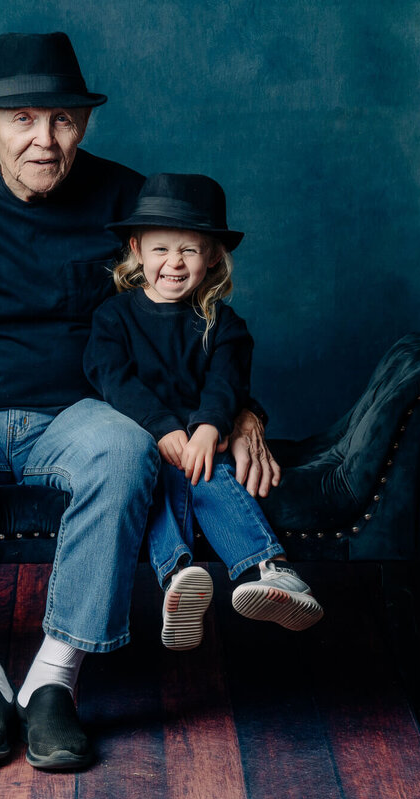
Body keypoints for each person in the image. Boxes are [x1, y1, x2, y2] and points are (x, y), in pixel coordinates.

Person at [0, 33, 278, 771]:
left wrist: (241, 411)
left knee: (125, 450)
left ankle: (52, 682)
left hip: (81, 414)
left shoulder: (123, 198)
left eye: (63, 120)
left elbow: (190, 314)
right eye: (23, 119)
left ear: (83, 123)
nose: (44, 140)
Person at [85, 173, 323, 652]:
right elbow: (113, 379)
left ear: (212, 256)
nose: (173, 263)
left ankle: (269, 572)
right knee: (150, 481)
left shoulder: (223, 323)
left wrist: (208, 429)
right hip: (144, 440)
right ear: (136, 249)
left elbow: (226, 383)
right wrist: (162, 429)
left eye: (189, 251)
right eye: (160, 250)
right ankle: (178, 578)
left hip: (203, 442)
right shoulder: (113, 318)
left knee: (209, 477)